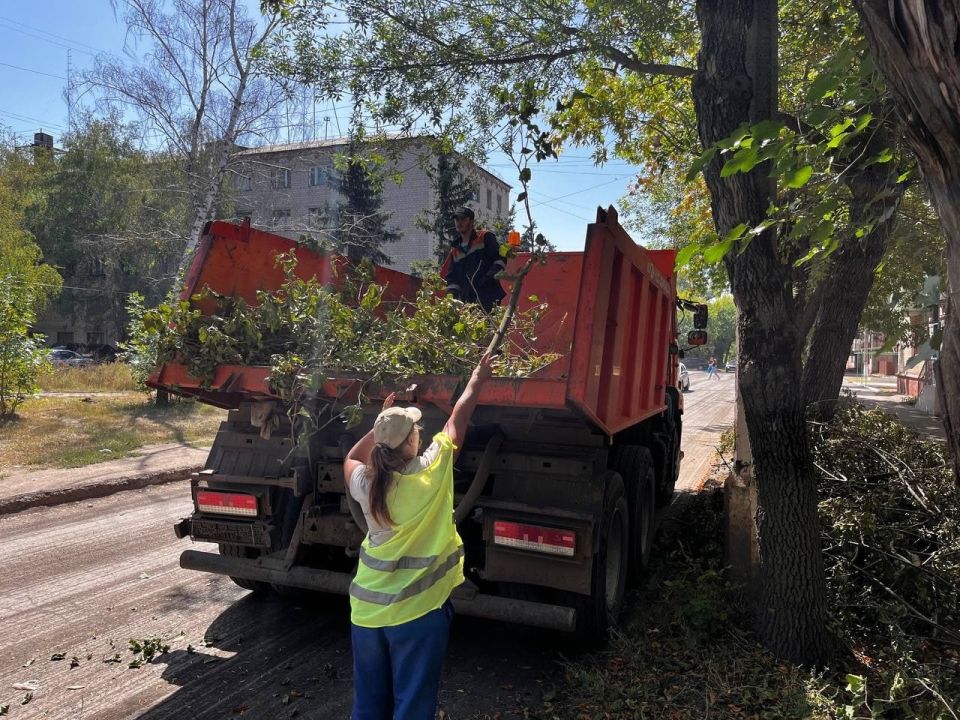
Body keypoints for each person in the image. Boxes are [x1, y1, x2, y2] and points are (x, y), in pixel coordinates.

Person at [343, 352, 494, 720]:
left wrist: (377, 425)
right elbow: (459, 417)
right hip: (417, 613)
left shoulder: (366, 483)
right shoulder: (432, 471)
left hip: (366, 615)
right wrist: (478, 377)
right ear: (413, 440)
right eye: (415, 429)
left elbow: (351, 458)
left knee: (368, 706)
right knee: (413, 706)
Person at [440, 206, 507, 312]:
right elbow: (452, 278)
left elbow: (500, 260)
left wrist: (487, 279)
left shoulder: (485, 237)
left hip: (488, 297)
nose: (459, 222)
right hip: (467, 302)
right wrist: (452, 299)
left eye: (463, 219)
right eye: (457, 219)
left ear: (471, 221)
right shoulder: (456, 250)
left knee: (488, 327)